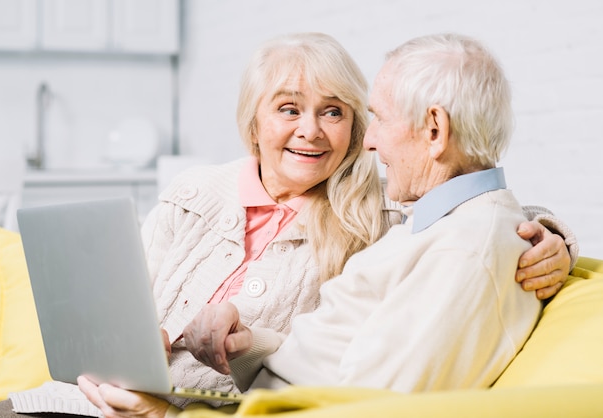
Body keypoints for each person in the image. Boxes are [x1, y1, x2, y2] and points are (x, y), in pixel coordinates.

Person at [66, 33, 576, 418]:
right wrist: (130, 346)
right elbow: (116, 306)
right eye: (289, 109)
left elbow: (476, 212)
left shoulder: (379, 206)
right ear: (254, 122)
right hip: (98, 397)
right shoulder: (193, 193)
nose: (310, 130)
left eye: (334, 112)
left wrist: (553, 237)